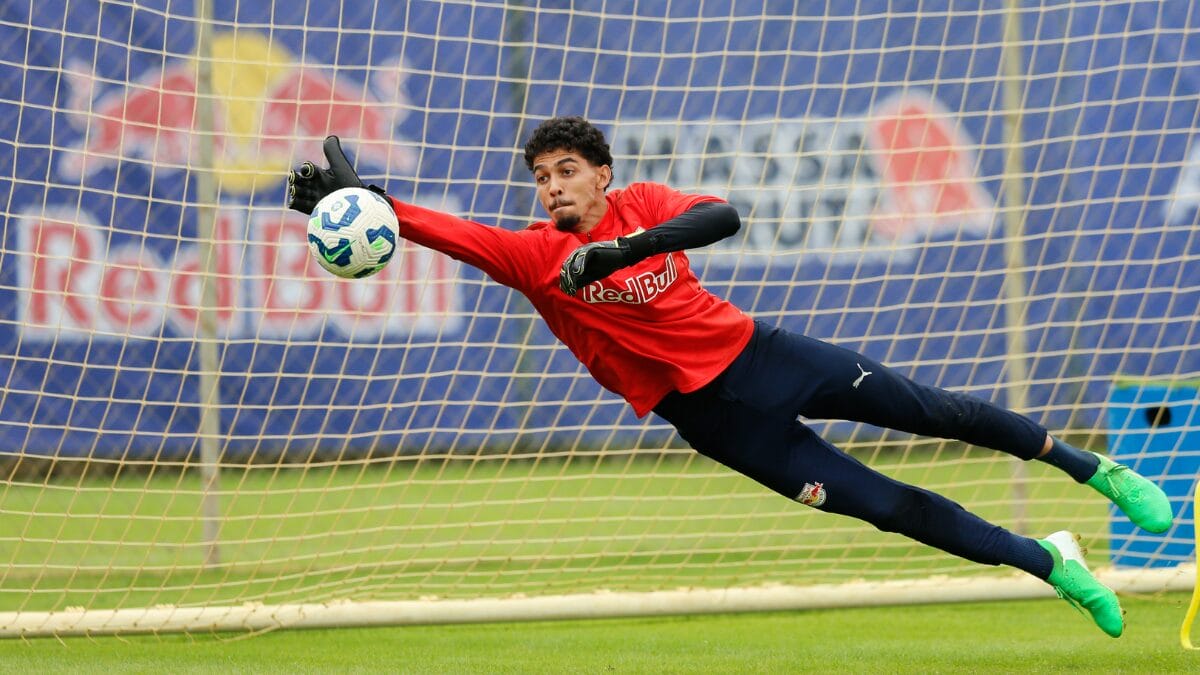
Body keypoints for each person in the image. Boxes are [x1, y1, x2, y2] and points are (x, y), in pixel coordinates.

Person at [287, 116, 1173, 638]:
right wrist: (359, 210)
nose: (553, 187)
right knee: (883, 504)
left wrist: (626, 248)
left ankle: (1097, 469)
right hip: (714, 419)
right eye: (542, 178)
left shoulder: (644, 208)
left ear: (603, 174)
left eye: (568, 172)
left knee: (935, 410)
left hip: (766, 354)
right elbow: (442, 230)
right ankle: (1050, 560)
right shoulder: (534, 258)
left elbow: (724, 215)